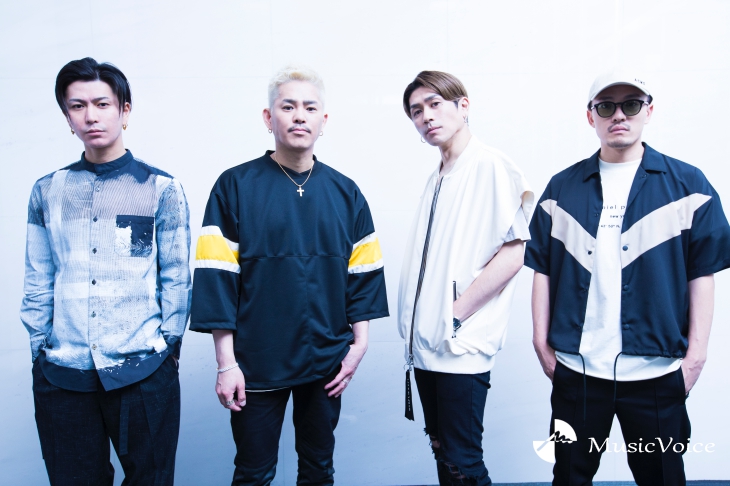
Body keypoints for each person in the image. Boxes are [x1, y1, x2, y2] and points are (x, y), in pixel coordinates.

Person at [525, 69, 730, 485]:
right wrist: (541, 344)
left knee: (663, 478)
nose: (619, 115)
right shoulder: (561, 188)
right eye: (606, 107)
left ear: (648, 111)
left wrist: (696, 357)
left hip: (655, 373)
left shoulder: (688, 185)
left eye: (631, 105)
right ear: (591, 117)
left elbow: (702, 273)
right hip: (579, 371)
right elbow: (541, 268)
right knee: (569, 478)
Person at [189, 65, 389, 486]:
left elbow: (364, 276)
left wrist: (359, 346)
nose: (299, 116)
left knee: (318, 470)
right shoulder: (233, 186)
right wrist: (226, 364)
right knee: (254, 473)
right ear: (269, 117)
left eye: (310, 108)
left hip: (326, 361)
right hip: (256, 363)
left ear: (323, 120)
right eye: (288, 106)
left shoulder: (347, 193)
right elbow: (216, 278)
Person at [20, 57, 191, 486]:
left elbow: (175, 277)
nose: (91, 116)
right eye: (77, 106)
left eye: (102, 103)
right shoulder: (47, 191)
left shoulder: (160, 189)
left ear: (124, 110)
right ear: (67, 117)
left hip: (143, 369)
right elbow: (38, 277)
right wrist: (40, 350)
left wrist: (167, 349)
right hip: (63, 374)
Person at [398, 71, 533, 486]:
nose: (426, 117)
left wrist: (454, 315)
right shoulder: (439, 175)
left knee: (462, 460)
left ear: (463, 106)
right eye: (416, 111)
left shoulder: (489, 165)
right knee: (441, 447)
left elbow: (514, 253)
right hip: (427, 344)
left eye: (435, 104)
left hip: (459, 343)